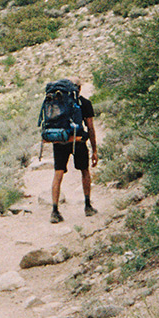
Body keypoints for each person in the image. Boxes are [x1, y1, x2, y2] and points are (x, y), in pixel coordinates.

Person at [50, 90, 98, 223]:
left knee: (58, 174)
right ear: (79, 88)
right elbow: (90, 127)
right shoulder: (84, 102)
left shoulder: (55, 101)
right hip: (78, 141)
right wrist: (94, 150)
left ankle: (54, 211)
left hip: (60, 141)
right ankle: (87, 206)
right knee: (84, 171)